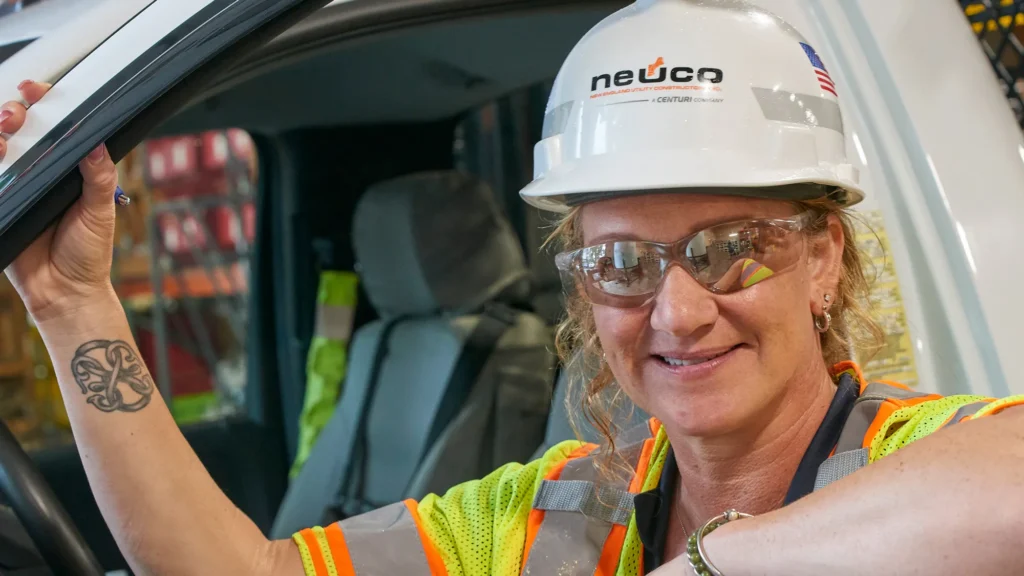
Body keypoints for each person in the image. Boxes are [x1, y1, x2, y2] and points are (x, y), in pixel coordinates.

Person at [4, 1, 1024, 574]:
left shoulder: (914, 459)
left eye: (729, 247)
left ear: (823, 259)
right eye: (622, 264)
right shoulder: (552, 511)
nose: (676, 312)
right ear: (581, 288)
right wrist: (72, 304)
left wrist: (720, 567)